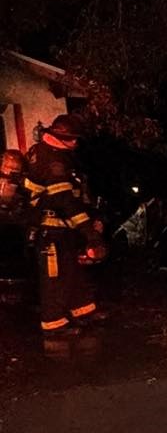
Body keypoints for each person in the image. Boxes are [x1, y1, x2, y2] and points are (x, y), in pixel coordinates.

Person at [23, 113, 107, 333]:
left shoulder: (58, 155)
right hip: (50, 229)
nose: (75, 142)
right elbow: (65, 201)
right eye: (71, 138)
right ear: (58, 136)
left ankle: (82, 309)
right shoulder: (52, 160)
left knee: (72, 270)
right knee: (54, 278)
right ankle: (54, 323)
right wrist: (90, 232)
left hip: (64, 229)